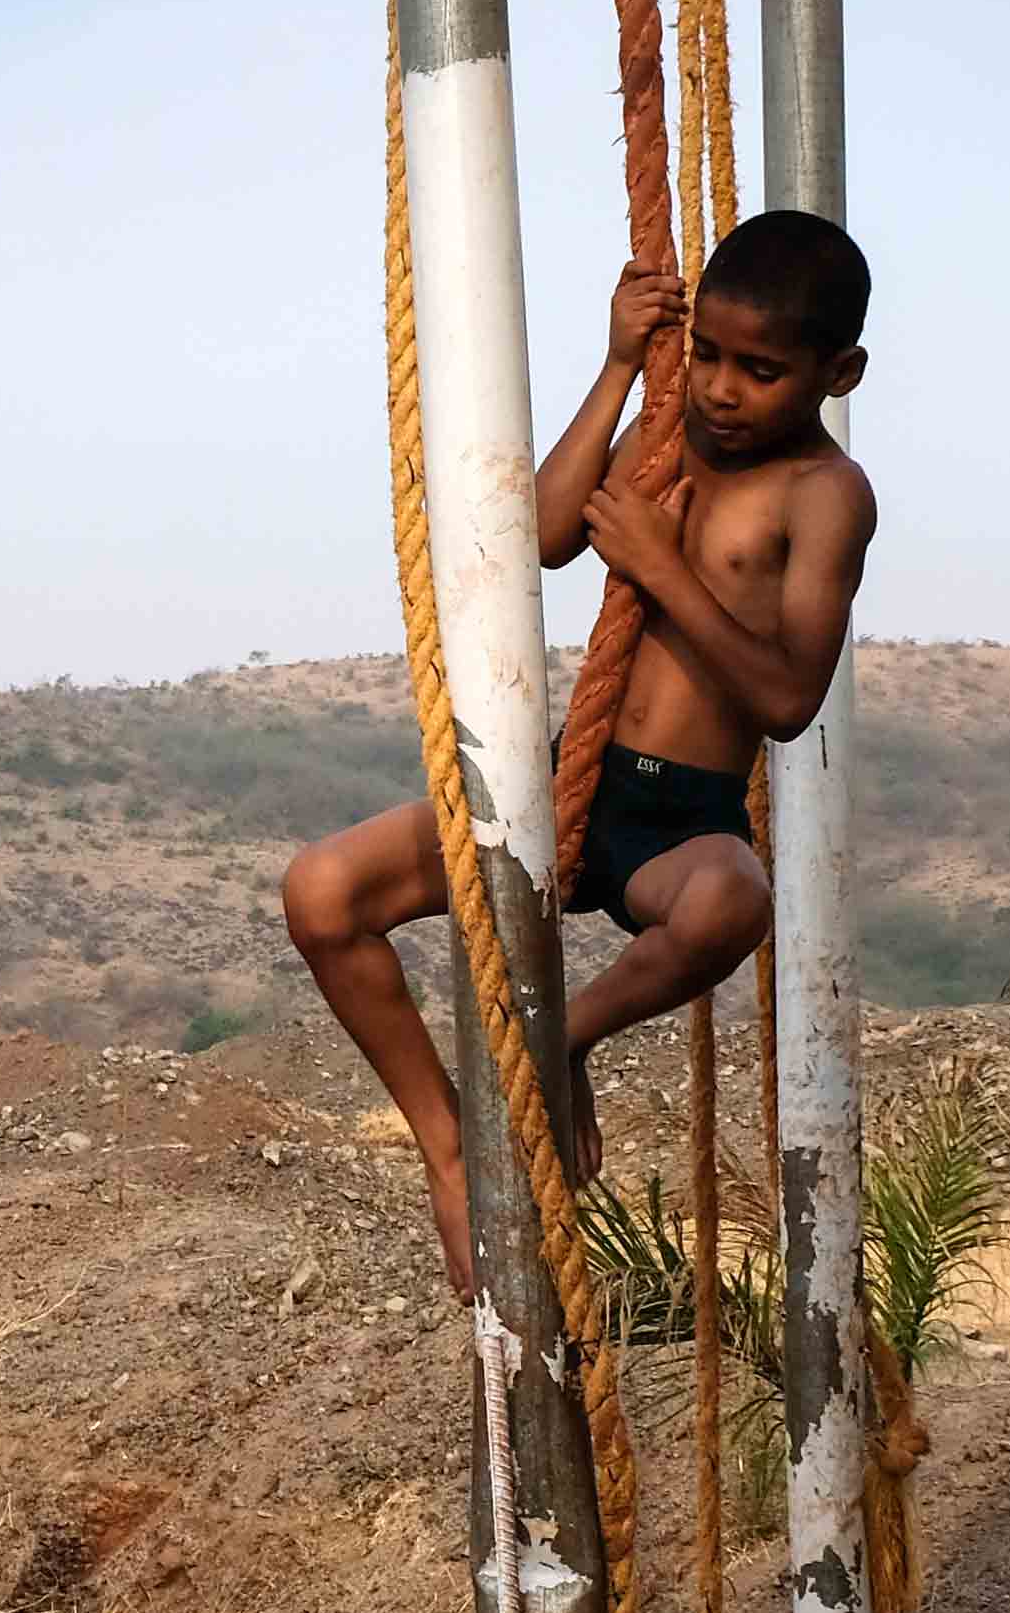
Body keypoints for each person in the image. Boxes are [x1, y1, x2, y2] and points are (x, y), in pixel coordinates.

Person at [276, 210, 884, 1289]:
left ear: (839, 373)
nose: (721, 391)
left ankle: (564, 1034)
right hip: (570, 778)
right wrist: (616, 365)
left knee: (732, 905)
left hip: (682, 816)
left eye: (760, 370)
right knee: (320, 893)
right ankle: (449, 1144)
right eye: (704, 354)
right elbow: (548, 534)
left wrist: (661, 566)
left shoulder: (825, 495)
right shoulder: (669, 428)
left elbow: (788, 697)